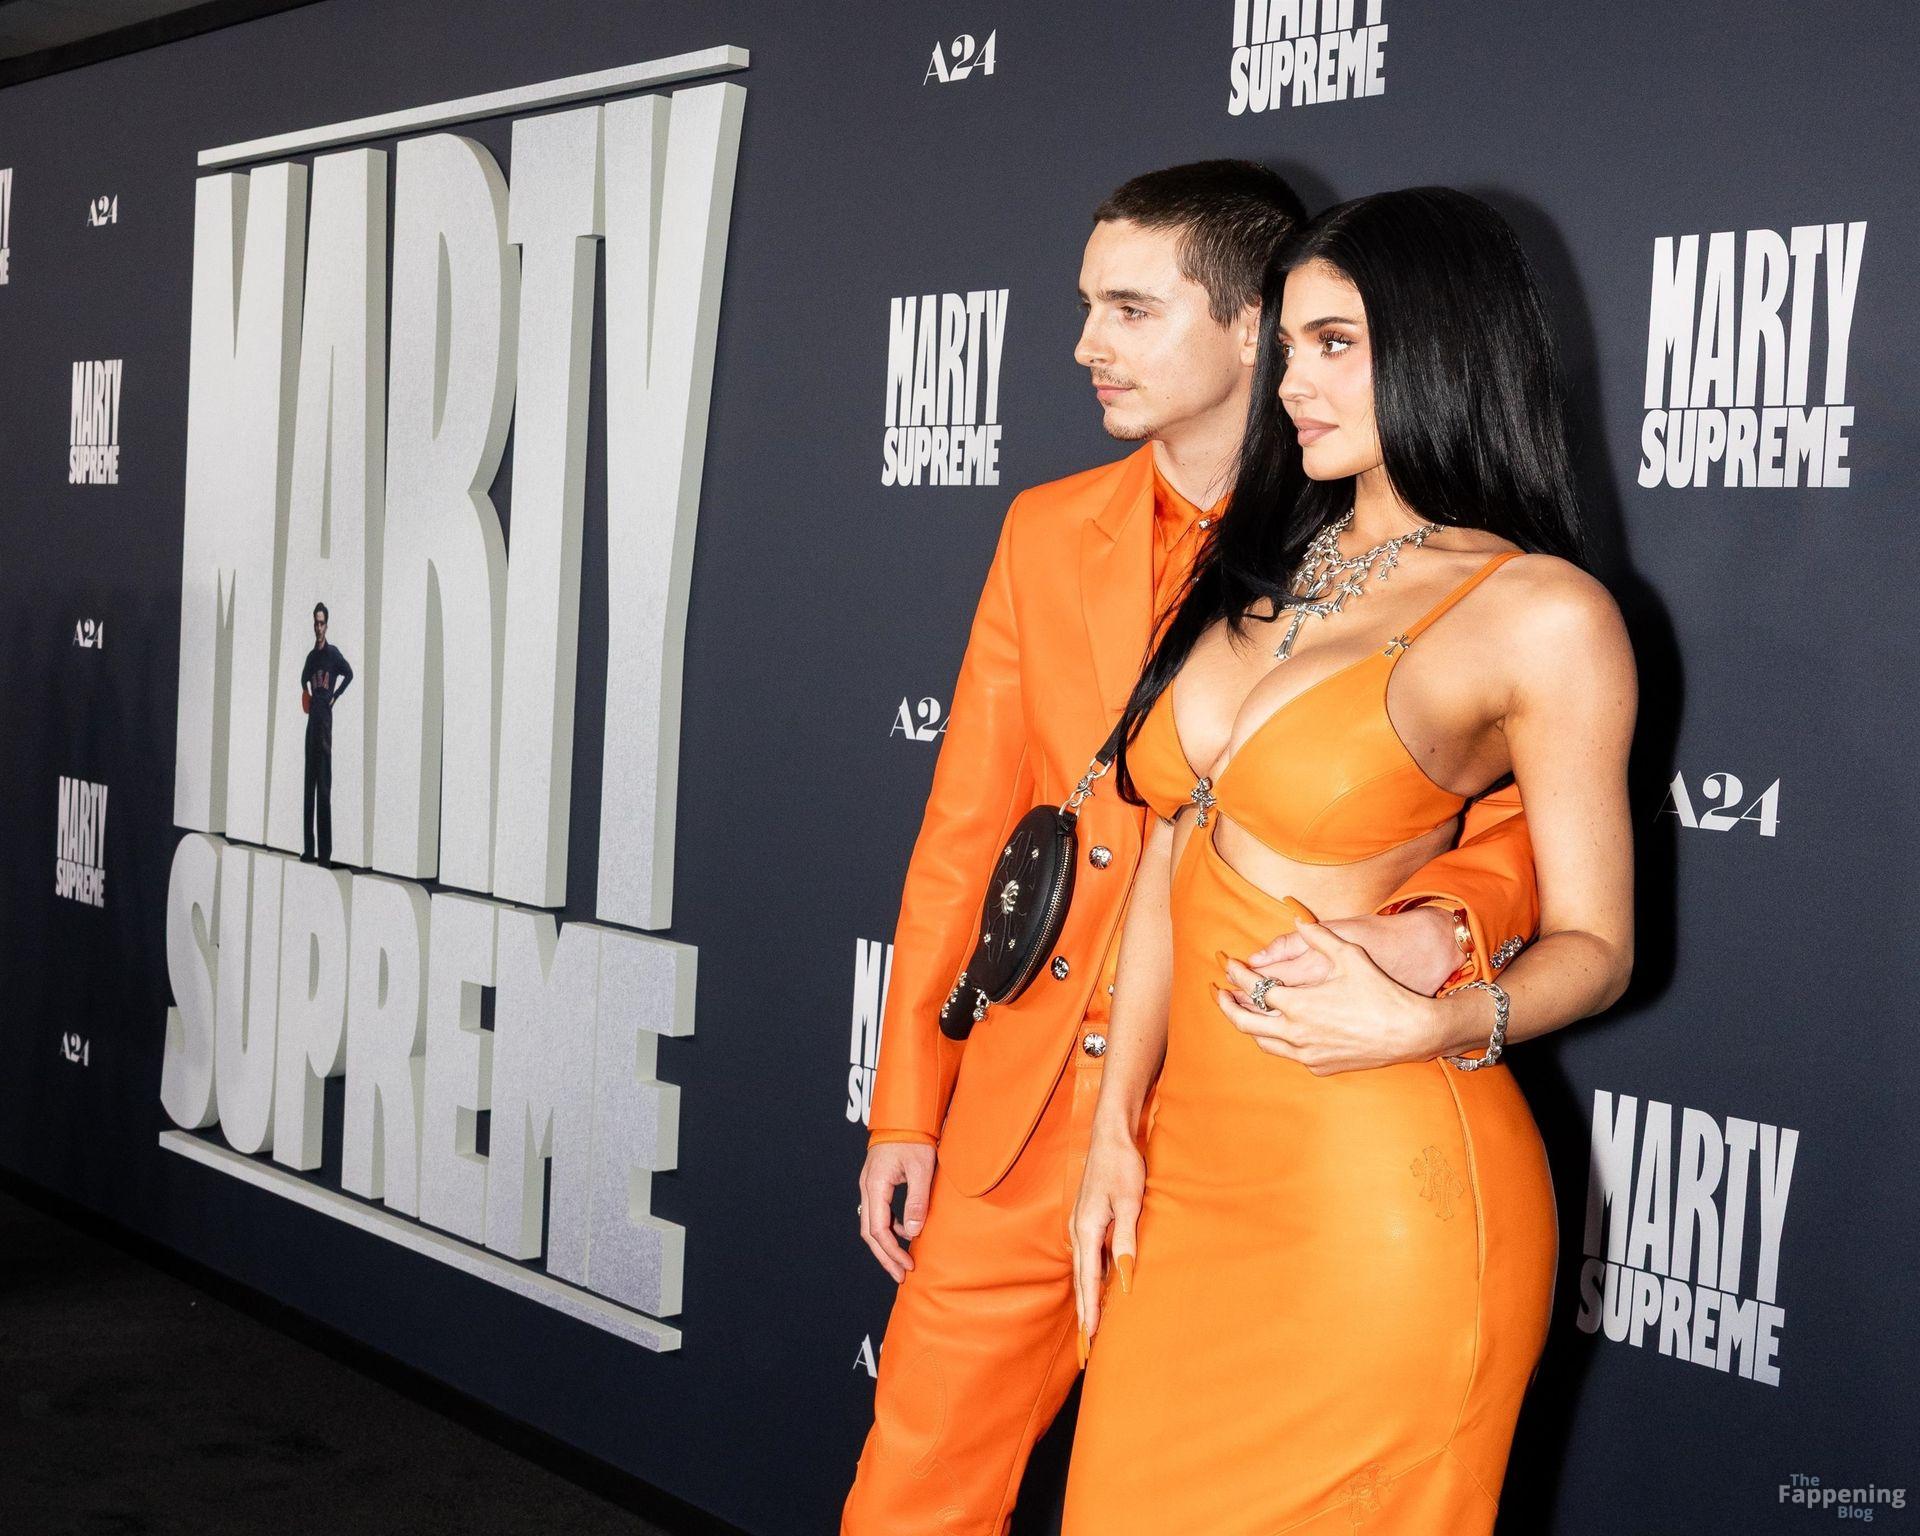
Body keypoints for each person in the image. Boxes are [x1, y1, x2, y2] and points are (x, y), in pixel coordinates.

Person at [844, 165, 1544, 1535]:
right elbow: (968, 829)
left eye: (1130, 309)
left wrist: (1441, 924)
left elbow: (1515, 819)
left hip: (1267, 1101)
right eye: (1087, 306)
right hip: (1033, 1115)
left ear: (1248, 327)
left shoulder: (1379, 545)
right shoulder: (1045, 531)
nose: (1084, 345)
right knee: (911, 1494)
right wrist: (909, 1104)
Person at [1062, 187, 1637, 1534]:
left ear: (1442, 344)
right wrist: (1113, 1128)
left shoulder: (1538, 613)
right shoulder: (1257, 566)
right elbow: (1172, 852)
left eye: (1336, 344)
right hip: (1189, 1176)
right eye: (1289, 347)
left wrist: (1439, 1019)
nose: (1291, 385)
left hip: (1379, 1197)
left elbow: (1601, 947)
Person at [299, 601, 353, 867]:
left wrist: (335, 697)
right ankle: (309, 850)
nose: (318, 627)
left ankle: (324, 854)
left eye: (322, 623)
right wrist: (307, 696)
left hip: (325, 725)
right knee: (309, 788)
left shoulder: (333, 654)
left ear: (326, 625)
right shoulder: (311, 657)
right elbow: (303, 679)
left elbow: (349, 674)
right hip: (312, 723)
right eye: (316, 623)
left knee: (324, 789)